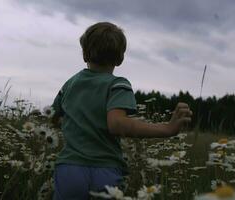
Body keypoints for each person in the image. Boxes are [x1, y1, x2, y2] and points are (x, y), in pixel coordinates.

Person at [51, 22, 192, 200]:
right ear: (120, 59)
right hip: (104, 170)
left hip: (68, 169)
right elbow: (116, 124)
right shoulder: (118, 85)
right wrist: (167, 129)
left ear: (84, 54)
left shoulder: (70, 84)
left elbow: (53, 117)